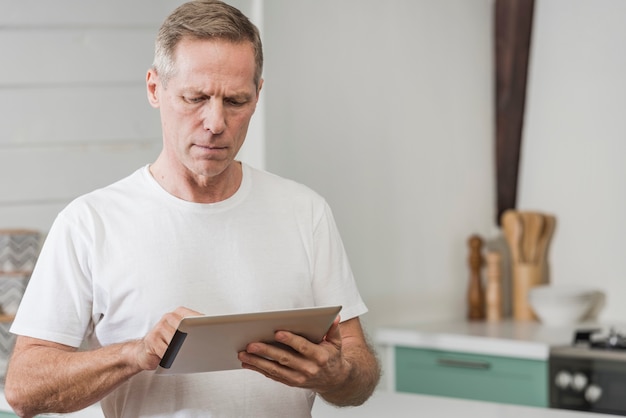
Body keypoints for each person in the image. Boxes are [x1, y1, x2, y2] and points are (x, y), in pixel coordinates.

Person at [4, 1, 380, 417]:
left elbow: (359, 372)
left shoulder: (305, 212)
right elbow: (24, 388)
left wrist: (339, 376)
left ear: (257, 96)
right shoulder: (90, 223)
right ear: (154, 89)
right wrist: (135, 354)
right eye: (195, 97)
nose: (216, 122)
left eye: (236, 101)